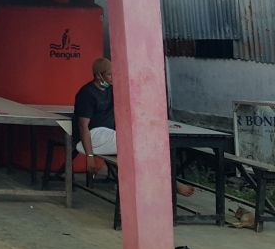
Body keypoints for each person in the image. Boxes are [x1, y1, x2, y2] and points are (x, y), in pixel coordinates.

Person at [74, 57, 194, 196]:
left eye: (114, 74)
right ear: (98, 75)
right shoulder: (87, 93)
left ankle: (164, 184)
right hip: (93, 136)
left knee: (143, 149)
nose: (113, 78)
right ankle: (172, 184)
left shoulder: (110, 90)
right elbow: (83, 126)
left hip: (109, 136)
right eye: (109, 75)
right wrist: (90, 156)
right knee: (140, 145)